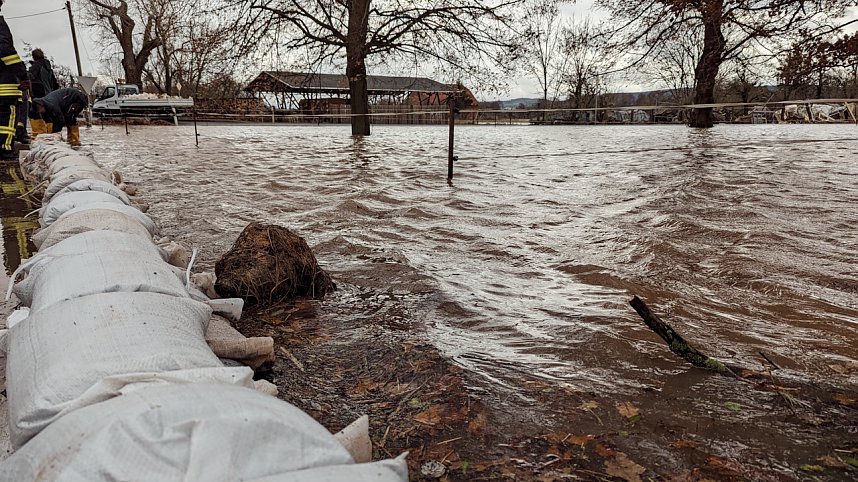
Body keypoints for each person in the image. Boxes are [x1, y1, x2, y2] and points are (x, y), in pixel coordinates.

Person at [0, 3, 28, 159]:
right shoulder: (0, 26)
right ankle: (4, 147)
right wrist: (22, 73)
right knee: (8, 117)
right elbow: (5, 50)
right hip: (5, 85)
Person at [26, 48, 59, 140]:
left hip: (38, 94)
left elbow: (30, 77)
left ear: (33, 56)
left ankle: (38, 134)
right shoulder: (48, 68)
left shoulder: (36, 65)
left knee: (34, 113)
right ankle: (50, 133)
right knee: (48, 114)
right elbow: (55, 83)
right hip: (49, 94)